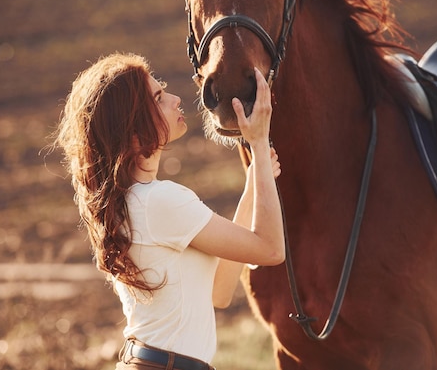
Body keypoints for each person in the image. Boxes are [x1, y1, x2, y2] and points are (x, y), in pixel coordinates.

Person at [53, 52, 284, 370]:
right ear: (133, 127)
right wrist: (257, 141)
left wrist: (254, 183)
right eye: (159, 97)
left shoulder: (135, 201)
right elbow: (270, 249)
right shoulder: (160, 201)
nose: (176, 99)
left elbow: (218, 291)